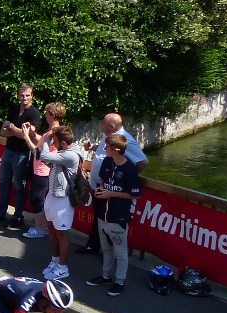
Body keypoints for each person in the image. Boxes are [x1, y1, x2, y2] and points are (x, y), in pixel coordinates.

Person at [80, 113, 149, 258]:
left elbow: (143, 162)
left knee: (109, 222)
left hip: (112, 189)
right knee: (99, 218)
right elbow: (106, 150)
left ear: (111, 126)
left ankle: (107, 255)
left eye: (103, 123)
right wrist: (94, 147)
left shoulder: (126, 140)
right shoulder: (108, 135)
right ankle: (93, 246)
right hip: (101, 184)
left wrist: (124, 178)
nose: (101, 126)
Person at [83, 133, 142, 296]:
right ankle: (106, 275)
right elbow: (102, 179)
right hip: (103, 213)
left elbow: (135, 194)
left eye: (107, 147)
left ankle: (119, 281)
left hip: (118, 216)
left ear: (116, 150)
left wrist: (110, 193)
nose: (104, 148)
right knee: (106, 248)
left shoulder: (129, 168)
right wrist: (102, 189)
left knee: (120, 252)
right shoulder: (108, 161)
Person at [30, 124, 86, 281]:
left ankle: (63, 267)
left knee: (62, 233)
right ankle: (54, 261)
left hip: (63, 200)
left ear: (62, 142)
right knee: (51, 228)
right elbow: (45, 159)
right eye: (51, 140)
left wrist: (46, 137)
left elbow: (45, 156)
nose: (52, 143)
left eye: (54, 140)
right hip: (52, 195)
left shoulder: (71, 155)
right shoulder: (63, 152)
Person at [0, 84, 40, 229]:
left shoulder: (33, 114)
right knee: (3, 182)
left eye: (27, 95)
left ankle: (18, 216)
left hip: (22, 154)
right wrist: (17, 131)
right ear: (18, 95)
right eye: (22, 95)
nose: (24, 98)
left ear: (32, 96)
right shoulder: (13, 109)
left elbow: (27, 135)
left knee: (19, 186)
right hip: (8, 151)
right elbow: (2, 132)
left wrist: (11, 127)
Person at [22, 101, 66, 240]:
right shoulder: (51, 131)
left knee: (37, 199)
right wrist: (33, 134)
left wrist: (26, 137)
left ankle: (40, 228)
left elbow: (38, 152)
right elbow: (42, 142)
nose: (45, 116)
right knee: (38, 198)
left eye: (47, 114)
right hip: (41, 170)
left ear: (52, 115)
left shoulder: (53, 132)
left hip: (44, 171)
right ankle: (42, 227)